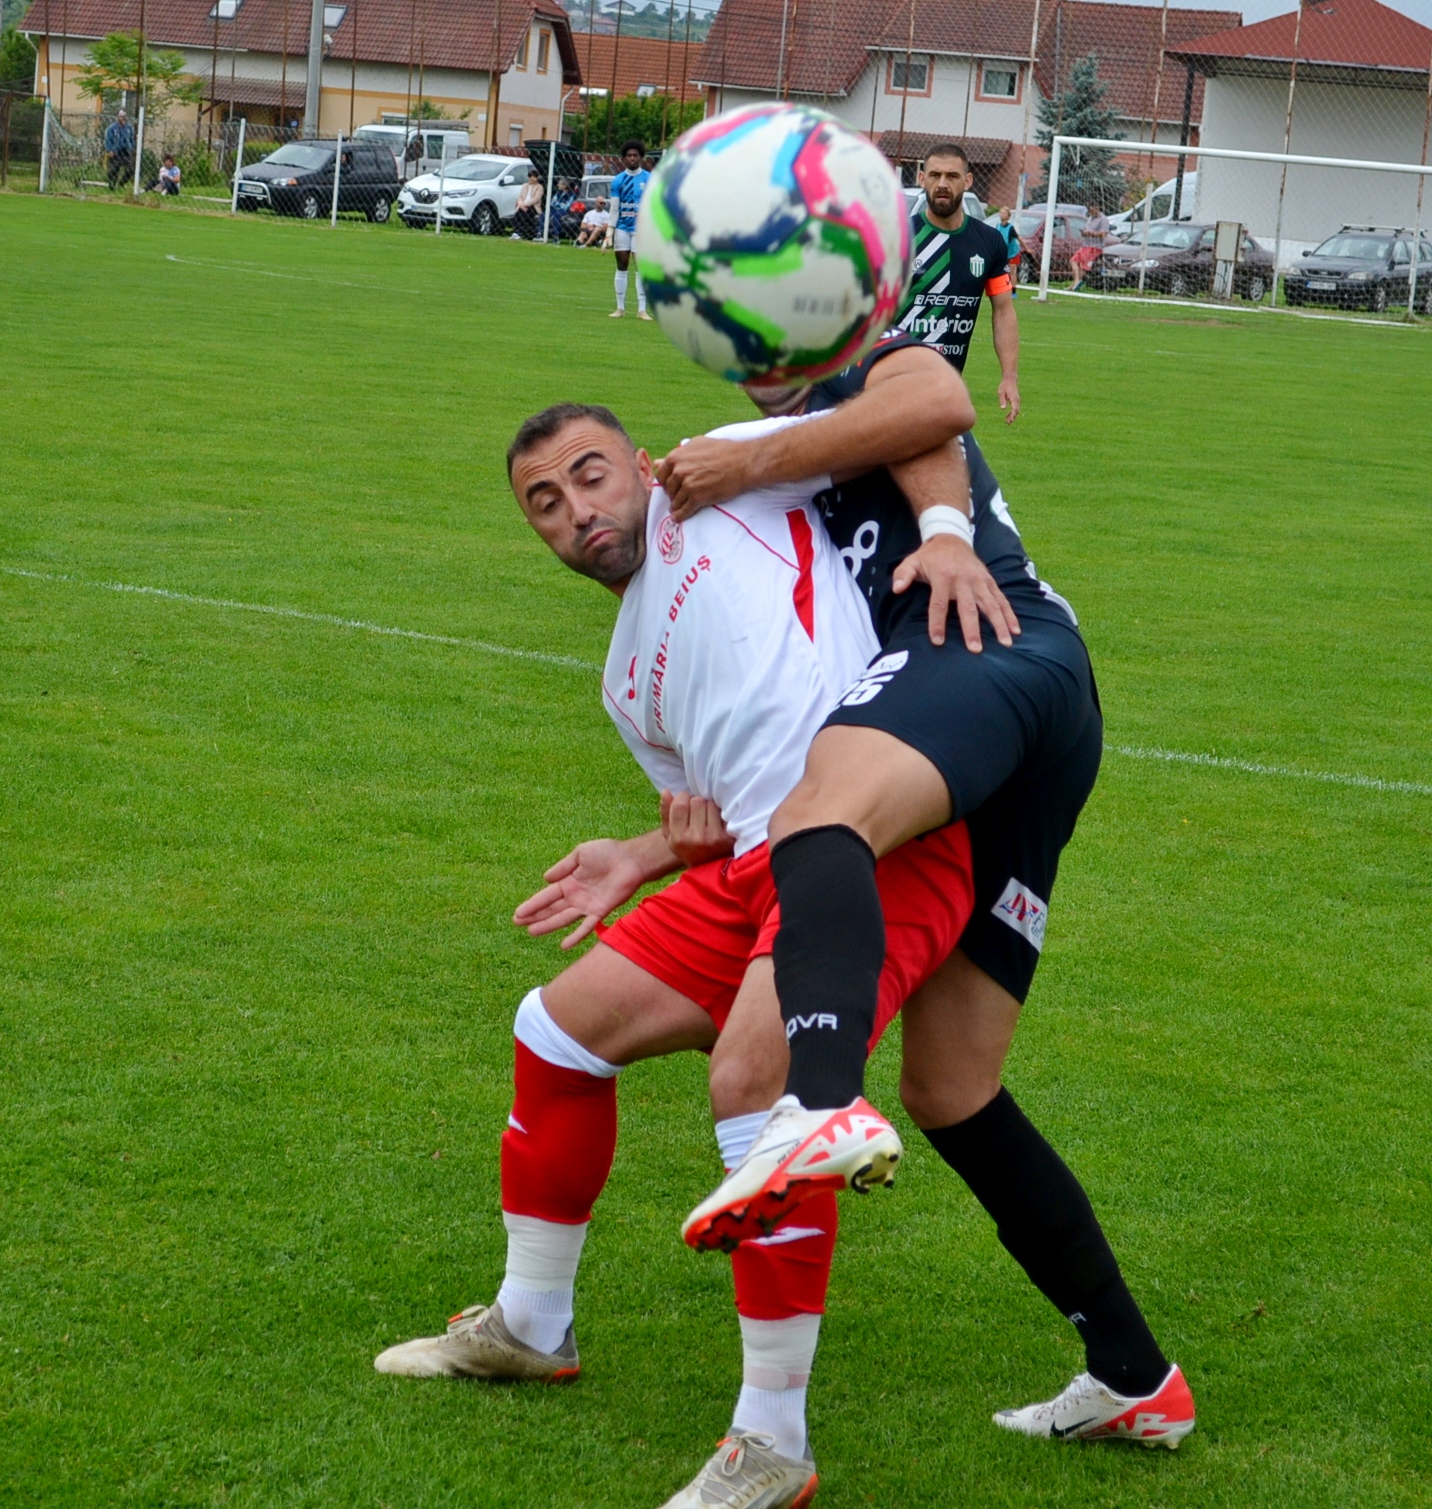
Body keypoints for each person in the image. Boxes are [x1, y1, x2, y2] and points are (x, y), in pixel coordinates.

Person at [375, 403, 978, 1509]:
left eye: (590, 475)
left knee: (752, 1080)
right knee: (554, 1030)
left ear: (641, 466)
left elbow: (927, 404)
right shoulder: (624, 682)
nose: (576, 512)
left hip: (872, 838)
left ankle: (773, 1444)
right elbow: (715, 809)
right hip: (756, 866)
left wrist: (946, 528)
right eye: (544, 505)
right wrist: (647, 851)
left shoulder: (725, 488)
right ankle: (530, 1324)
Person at [659, 334, 1194, 1449]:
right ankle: (1135, 1375)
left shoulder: (870, 367)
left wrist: (934, 531)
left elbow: (936, 400)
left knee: (823, 813)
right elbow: (920, 440)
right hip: (1029, 724)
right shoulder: (796, 431)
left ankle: (815, 1103)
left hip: (986, 647)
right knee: (954, 1089)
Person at [897, 143, 1022, 423]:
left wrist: (1009, 377)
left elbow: (1003, 311)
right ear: (921, 179)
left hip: (946, 387)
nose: (942, 184)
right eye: (934, 175)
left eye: (952, 176)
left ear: (967, 181)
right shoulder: (898, 238)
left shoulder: (989, 243)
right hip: (893, 381)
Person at [609, 139, 653, 320]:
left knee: (641, 268)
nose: (632, 158)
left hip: (641, 230)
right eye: (629, 155)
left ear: (641, 157)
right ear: (624, 158)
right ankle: (620, 308)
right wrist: (609, 232)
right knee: (622, 265)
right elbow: (614, 208)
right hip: (622, 228)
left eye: (635, 155)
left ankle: (642, 310)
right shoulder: (618, 180)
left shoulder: (649, 179)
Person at [103, 110, 134, 191]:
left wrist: (132, 148)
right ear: (118, 117)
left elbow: (131, 139)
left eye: (124, 117)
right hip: (115, 151)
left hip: (126, 151)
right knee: (114, 169)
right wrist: (110, 150)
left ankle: (121, 183)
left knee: (130, 170)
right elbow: (108, 140)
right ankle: (111, 185)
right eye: (121, 116)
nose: (123, 118)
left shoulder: (129, 128)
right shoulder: (112, 128)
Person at [512, 167, 544, 241]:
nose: (532, 178)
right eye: (530, 176)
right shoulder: (525, 185)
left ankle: (519, 232)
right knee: (518, 215)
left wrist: (526, 204)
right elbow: (520, 196)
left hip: (533, 206)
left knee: (525, 214)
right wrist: (521, 204)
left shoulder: (539, 187)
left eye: (534, 177)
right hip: (522, 205)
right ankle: (516, 232)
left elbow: (536, 198)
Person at [995, 204, 1023, 283]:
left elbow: (1019, 238)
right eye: (1001, 213)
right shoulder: (997, 227)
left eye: (1004, 213)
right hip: (1004, 254)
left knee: (1012, 272)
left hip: (1013, 253)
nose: (1002, 215)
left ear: (1008, 217)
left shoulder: (1010, 228)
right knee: (1003, 271)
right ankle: (1005, 286)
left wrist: (1027, 248)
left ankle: (1013, 292)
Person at [548, 177, 576, 242]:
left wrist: (557, 204)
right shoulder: (558, 193)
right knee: (543, 214)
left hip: (564, 211)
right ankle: (539, 233)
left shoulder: (571, 194)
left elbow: (567, 206)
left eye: (560, 184)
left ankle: (556, 236)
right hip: (555, 209)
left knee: (556, 216)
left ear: (565, 185)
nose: (558, 185)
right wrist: (559, 204)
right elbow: (552, 202)